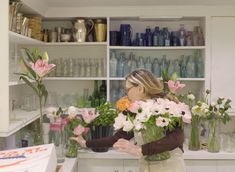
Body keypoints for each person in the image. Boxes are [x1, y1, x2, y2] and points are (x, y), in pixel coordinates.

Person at [72, 69, 186, 172]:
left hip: (171, 167)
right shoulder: (135, 110)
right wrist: (85, 143)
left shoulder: (167, 106)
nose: (126, 94)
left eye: (127, 89)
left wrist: (141, 149)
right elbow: (117, 138)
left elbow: (177, 138)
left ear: (140, 88)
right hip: (146, 167)